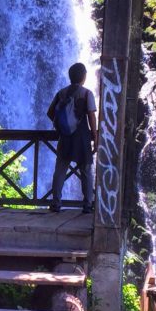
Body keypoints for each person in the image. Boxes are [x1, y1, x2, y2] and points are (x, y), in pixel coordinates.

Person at [46, 62, 97, 213]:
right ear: (84, 76)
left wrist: (62, 125)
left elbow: (50, 113)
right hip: (81, 137)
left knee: (60, 170)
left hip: (65, 137)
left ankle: (56, 203)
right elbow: (91, 116)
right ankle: (87, 205)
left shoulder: (61, 93)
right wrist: (95, 135)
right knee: (86, 170)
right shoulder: (87, 93)